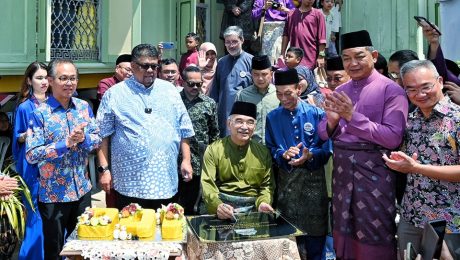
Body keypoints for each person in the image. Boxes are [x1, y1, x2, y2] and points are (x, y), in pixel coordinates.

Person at [318, 30, 408, 259]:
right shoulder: (340, 91)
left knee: (374, 232)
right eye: (346, 58)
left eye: (359, 56)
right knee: (342, 230)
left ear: (374, 56)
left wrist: (351, 115)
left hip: (374, 173)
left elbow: (392, 137)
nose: (352, 63)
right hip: (342, 173)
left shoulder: (392, 90)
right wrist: (331, 121)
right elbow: (322, 133)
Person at [97, 44, 195, 211]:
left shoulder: (169, 91)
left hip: (165, 178)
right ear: (133, 66)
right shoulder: (115, 94)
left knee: (164, 230)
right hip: (129, 181)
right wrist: (104, 170)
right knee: (130, 232)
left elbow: (184, 127)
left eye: (154, 66)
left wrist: (186, 160)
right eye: (145, 66)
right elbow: (101, 135)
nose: (151, 70)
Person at [381, 60, 460, 259]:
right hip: (412, 215)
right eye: (412, 89)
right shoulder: (410, 121)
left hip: (450, 219)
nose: (420, 94)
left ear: (440, 81)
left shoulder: (457, 119)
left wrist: (416, 168)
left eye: (426, 86)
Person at [26, 58, 101, 260]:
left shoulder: (84, 107)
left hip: (82, 190)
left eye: (73, 78)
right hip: (53, 194)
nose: (69, 83)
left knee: (84, 247)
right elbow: (32, 154)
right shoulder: (40, 114)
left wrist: (84, 139)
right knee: (55, 250)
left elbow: (96, 140)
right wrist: (64, 144)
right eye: (63, 78)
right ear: (50, 81)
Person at [266, 68, 331, 260]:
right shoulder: (273, 117)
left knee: (315, 237)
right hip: (287, 185)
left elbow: (326, 148)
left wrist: (310, 155)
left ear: (299, 89)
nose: (283, 98)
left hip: (314, 184)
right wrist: (283, 154)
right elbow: (271, 148)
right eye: (279, 93)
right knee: (287, 239)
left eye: (288, 93)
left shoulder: (317, 114)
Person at [201, 101, 275, 218]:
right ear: (229, 124)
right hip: (223, 205)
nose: (244, 127)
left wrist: (263, 202)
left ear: (254, 127)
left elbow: (267, 186)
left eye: (250, 123)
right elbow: (207, 184)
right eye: (239, 121)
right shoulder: (214, 149)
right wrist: (217, 205)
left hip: (254, 208)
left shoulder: (262, 152)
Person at [12, 61, 49, 260]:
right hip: (33, 167)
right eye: (39, 78)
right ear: (29, 81)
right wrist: (27, 135)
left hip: (55, 166)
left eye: (46, 77)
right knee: (35, 214)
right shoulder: (25, 108)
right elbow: (17, 138)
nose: (43, 82)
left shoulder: (56, 102)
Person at [178, 66, 220, 214]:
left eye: (199, 84)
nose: (195, 87)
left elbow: (214, 133)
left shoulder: (209, 103)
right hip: (176, 157)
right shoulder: (175, 101)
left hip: (200, 158)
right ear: (182, 82)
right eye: (191, 84)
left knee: (196, 201)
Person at [210, 26, 253, 137]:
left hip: (245, 114)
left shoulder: (251, 61)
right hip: (224, 114)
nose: (231, 45)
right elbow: (215, 91)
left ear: (242, 40)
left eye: (234, 41)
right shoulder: (221, 62)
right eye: (228, 42)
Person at [235, 55, 279, 144]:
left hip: (275, 148)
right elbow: (237, 123)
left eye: (264, 74)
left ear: (271, 74)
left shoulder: (279, 94)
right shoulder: (243, 96)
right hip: (250, 148)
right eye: (256, 74)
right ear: (251, 74)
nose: (260, 78)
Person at [281, 0, 326, 69]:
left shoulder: (318, 14)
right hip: (293, 58)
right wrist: (282, 54)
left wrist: (321, 56)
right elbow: (286, 35)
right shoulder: (291, 14)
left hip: (311, 58)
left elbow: (322, 38)